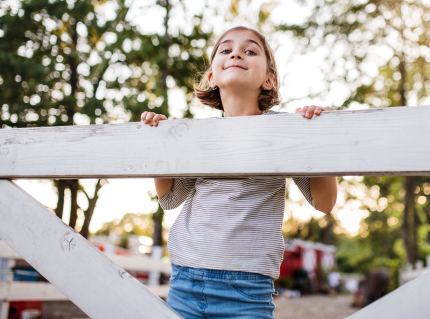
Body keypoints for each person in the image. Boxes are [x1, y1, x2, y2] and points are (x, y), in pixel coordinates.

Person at [141, 26, 338, 319]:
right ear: (211, 76)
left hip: (247, 289)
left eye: (249, 51)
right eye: (226, 49)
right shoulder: (197, 133)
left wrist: (316, 139)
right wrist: (161, 145)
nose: (236, 53)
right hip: (185, 280)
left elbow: (325, 202)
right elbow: (169, 198)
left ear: (269, 79)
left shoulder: (285, 130)